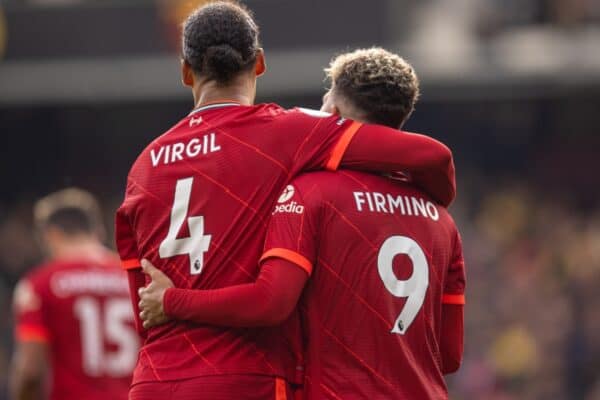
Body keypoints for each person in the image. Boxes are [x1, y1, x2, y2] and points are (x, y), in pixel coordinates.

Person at [117, 2, 457, 399]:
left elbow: (144, 313)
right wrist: (431, 207)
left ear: (185, 72)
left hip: (155, 382)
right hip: (246, 378)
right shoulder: (287, 132)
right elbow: (432, 157)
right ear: (259, 63)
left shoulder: (142, 168)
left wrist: (174, 303)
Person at [10, 188, 138, 400]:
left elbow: (31, 371)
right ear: (98, 231)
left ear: (51, 235)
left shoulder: (40, 285)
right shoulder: (134, 278)